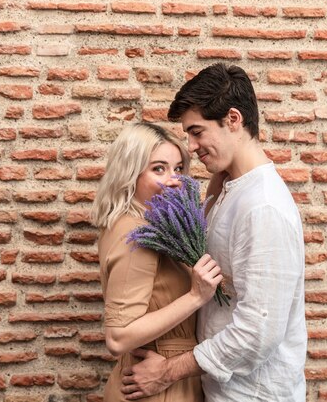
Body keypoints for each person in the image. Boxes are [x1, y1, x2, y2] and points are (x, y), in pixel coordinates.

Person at [120, 64, 307, 401]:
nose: (190, 146)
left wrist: (167, 372)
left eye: (197, 132)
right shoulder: (231, 189)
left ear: (233, 119)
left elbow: (257, 333)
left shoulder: (264, 207)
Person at [92, 123, 223, 402]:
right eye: (159, 169)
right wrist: (196, 296)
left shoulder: (152, 226)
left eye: (178, 169)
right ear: (130, 173)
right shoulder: (136, 235)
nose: (174, 180)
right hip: (155, 386)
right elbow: (118, 338)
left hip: (168, 379)